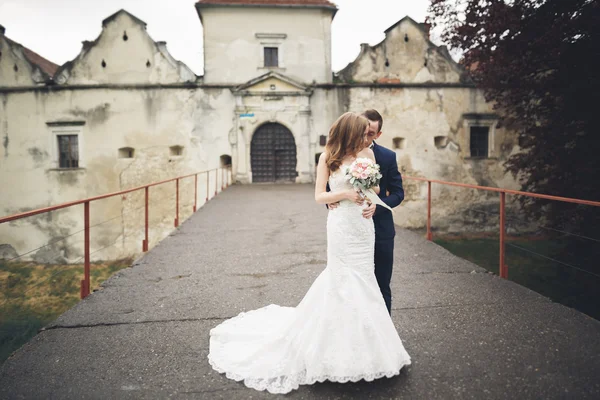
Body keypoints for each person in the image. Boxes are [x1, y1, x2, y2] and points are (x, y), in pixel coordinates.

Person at [208, 112, 411, 395]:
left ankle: (372, 349)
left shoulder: (367, 154)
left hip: (363, 226)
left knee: (366, 281)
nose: (368, 137)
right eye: (363, 131)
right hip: (341, 226)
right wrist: (345, 194)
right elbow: (319, 196)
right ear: (350, 131)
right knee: (342, 281)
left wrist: (368, 193)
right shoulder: (328, 156)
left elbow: (377, 187)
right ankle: (334, 351)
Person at [328, 109, 404, 314]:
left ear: (378, 135)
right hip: (347, 227)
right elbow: (330, 188)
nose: (365, 137)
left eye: (371, 133)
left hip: (380, 229)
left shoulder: (387, 156)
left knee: (380, 284)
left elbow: (398, 193)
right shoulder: (336, 154)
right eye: (363, 131)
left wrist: (377, 205)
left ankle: (383, 334)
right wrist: (333, 201)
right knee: (348, 282)